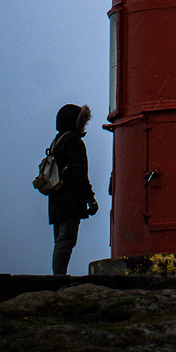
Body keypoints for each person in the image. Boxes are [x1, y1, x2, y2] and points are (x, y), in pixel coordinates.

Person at [47, 103, 99, 275]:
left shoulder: (57, 141)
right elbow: (79, 173)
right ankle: (59, 277)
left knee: (60, 241)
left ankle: (58, 275)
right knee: (67, 240)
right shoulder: (74, 142)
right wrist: (89, 198)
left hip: (56, 198)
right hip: (70, 199)